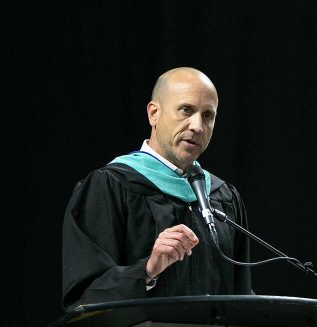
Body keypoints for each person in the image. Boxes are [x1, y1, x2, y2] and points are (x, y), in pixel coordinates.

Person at [61, 66, 252, 309]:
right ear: (154, 113)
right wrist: (148, 270)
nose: (197, 126)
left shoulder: (222, 197)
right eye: (186, 110)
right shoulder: (110, 186)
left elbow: (241, 295)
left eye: (208, 115)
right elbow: (84, 296)